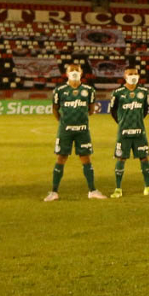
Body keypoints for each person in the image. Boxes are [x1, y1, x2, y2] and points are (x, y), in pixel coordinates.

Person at [46, 63, 106, 201]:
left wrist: (80, 120)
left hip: (82, 130)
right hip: (65, 131)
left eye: (76, 70)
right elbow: (55, 109)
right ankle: (54, 192)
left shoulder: (89, 90)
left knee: (86, 159)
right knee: (61, 158)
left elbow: (91, 109)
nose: (74, 72)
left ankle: (92, 191)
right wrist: (63, 122)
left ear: (81, 72)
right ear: (66, 73)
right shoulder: (60, 90)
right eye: (71, 70)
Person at [108, 67, 149, 197]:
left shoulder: (144, 92)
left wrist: (137, 121)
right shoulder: (118, 93)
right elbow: (113, 111)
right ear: (125, 76)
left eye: (135, 74)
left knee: (144, 157)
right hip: (124, 132)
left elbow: (145, 110)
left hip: (139, 131)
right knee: (121, 158)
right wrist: (121, 122)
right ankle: (118, 189)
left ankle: (148, 187)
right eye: (130, 74)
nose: (133, 76)